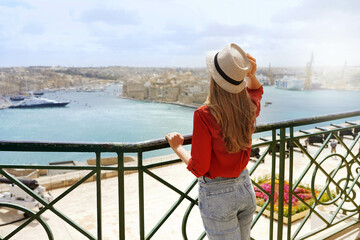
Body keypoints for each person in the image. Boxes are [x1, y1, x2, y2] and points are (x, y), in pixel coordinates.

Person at [166, 43, 263, 240]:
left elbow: (199, 167)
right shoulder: (248, 108)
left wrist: (178, 148)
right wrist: (250, 74)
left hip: (218, 196)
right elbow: (256, 91)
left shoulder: (205, 114)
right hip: (245, 187)